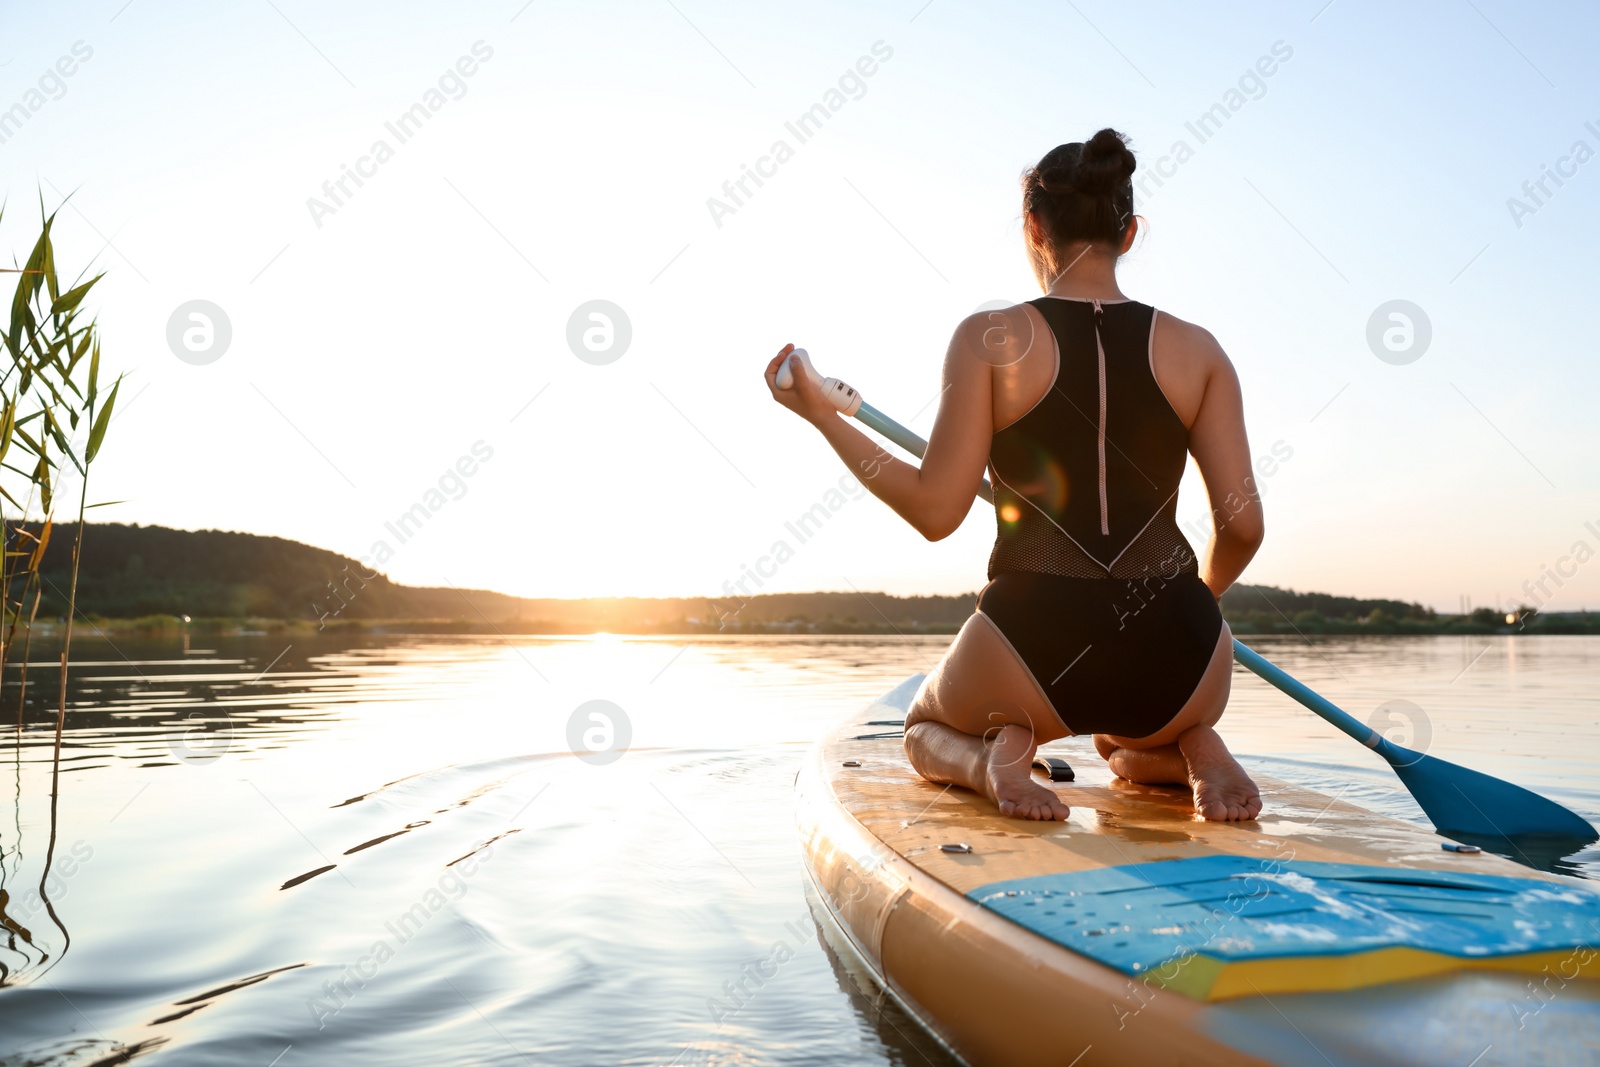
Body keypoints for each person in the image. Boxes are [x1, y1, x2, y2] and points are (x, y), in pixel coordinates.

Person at [764, 128, 1264, 823]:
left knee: (920, 730)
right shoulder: (1201, 351)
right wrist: (1188, 600)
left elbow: (936, 511)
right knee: (1124, 742)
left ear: (1033, 226)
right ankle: (1193, 746)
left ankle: (997, 751)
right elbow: (1243, 526)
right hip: (1184, 650)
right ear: (1131, 231)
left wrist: (826, 417)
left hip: (1029, 646)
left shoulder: (990, 338)